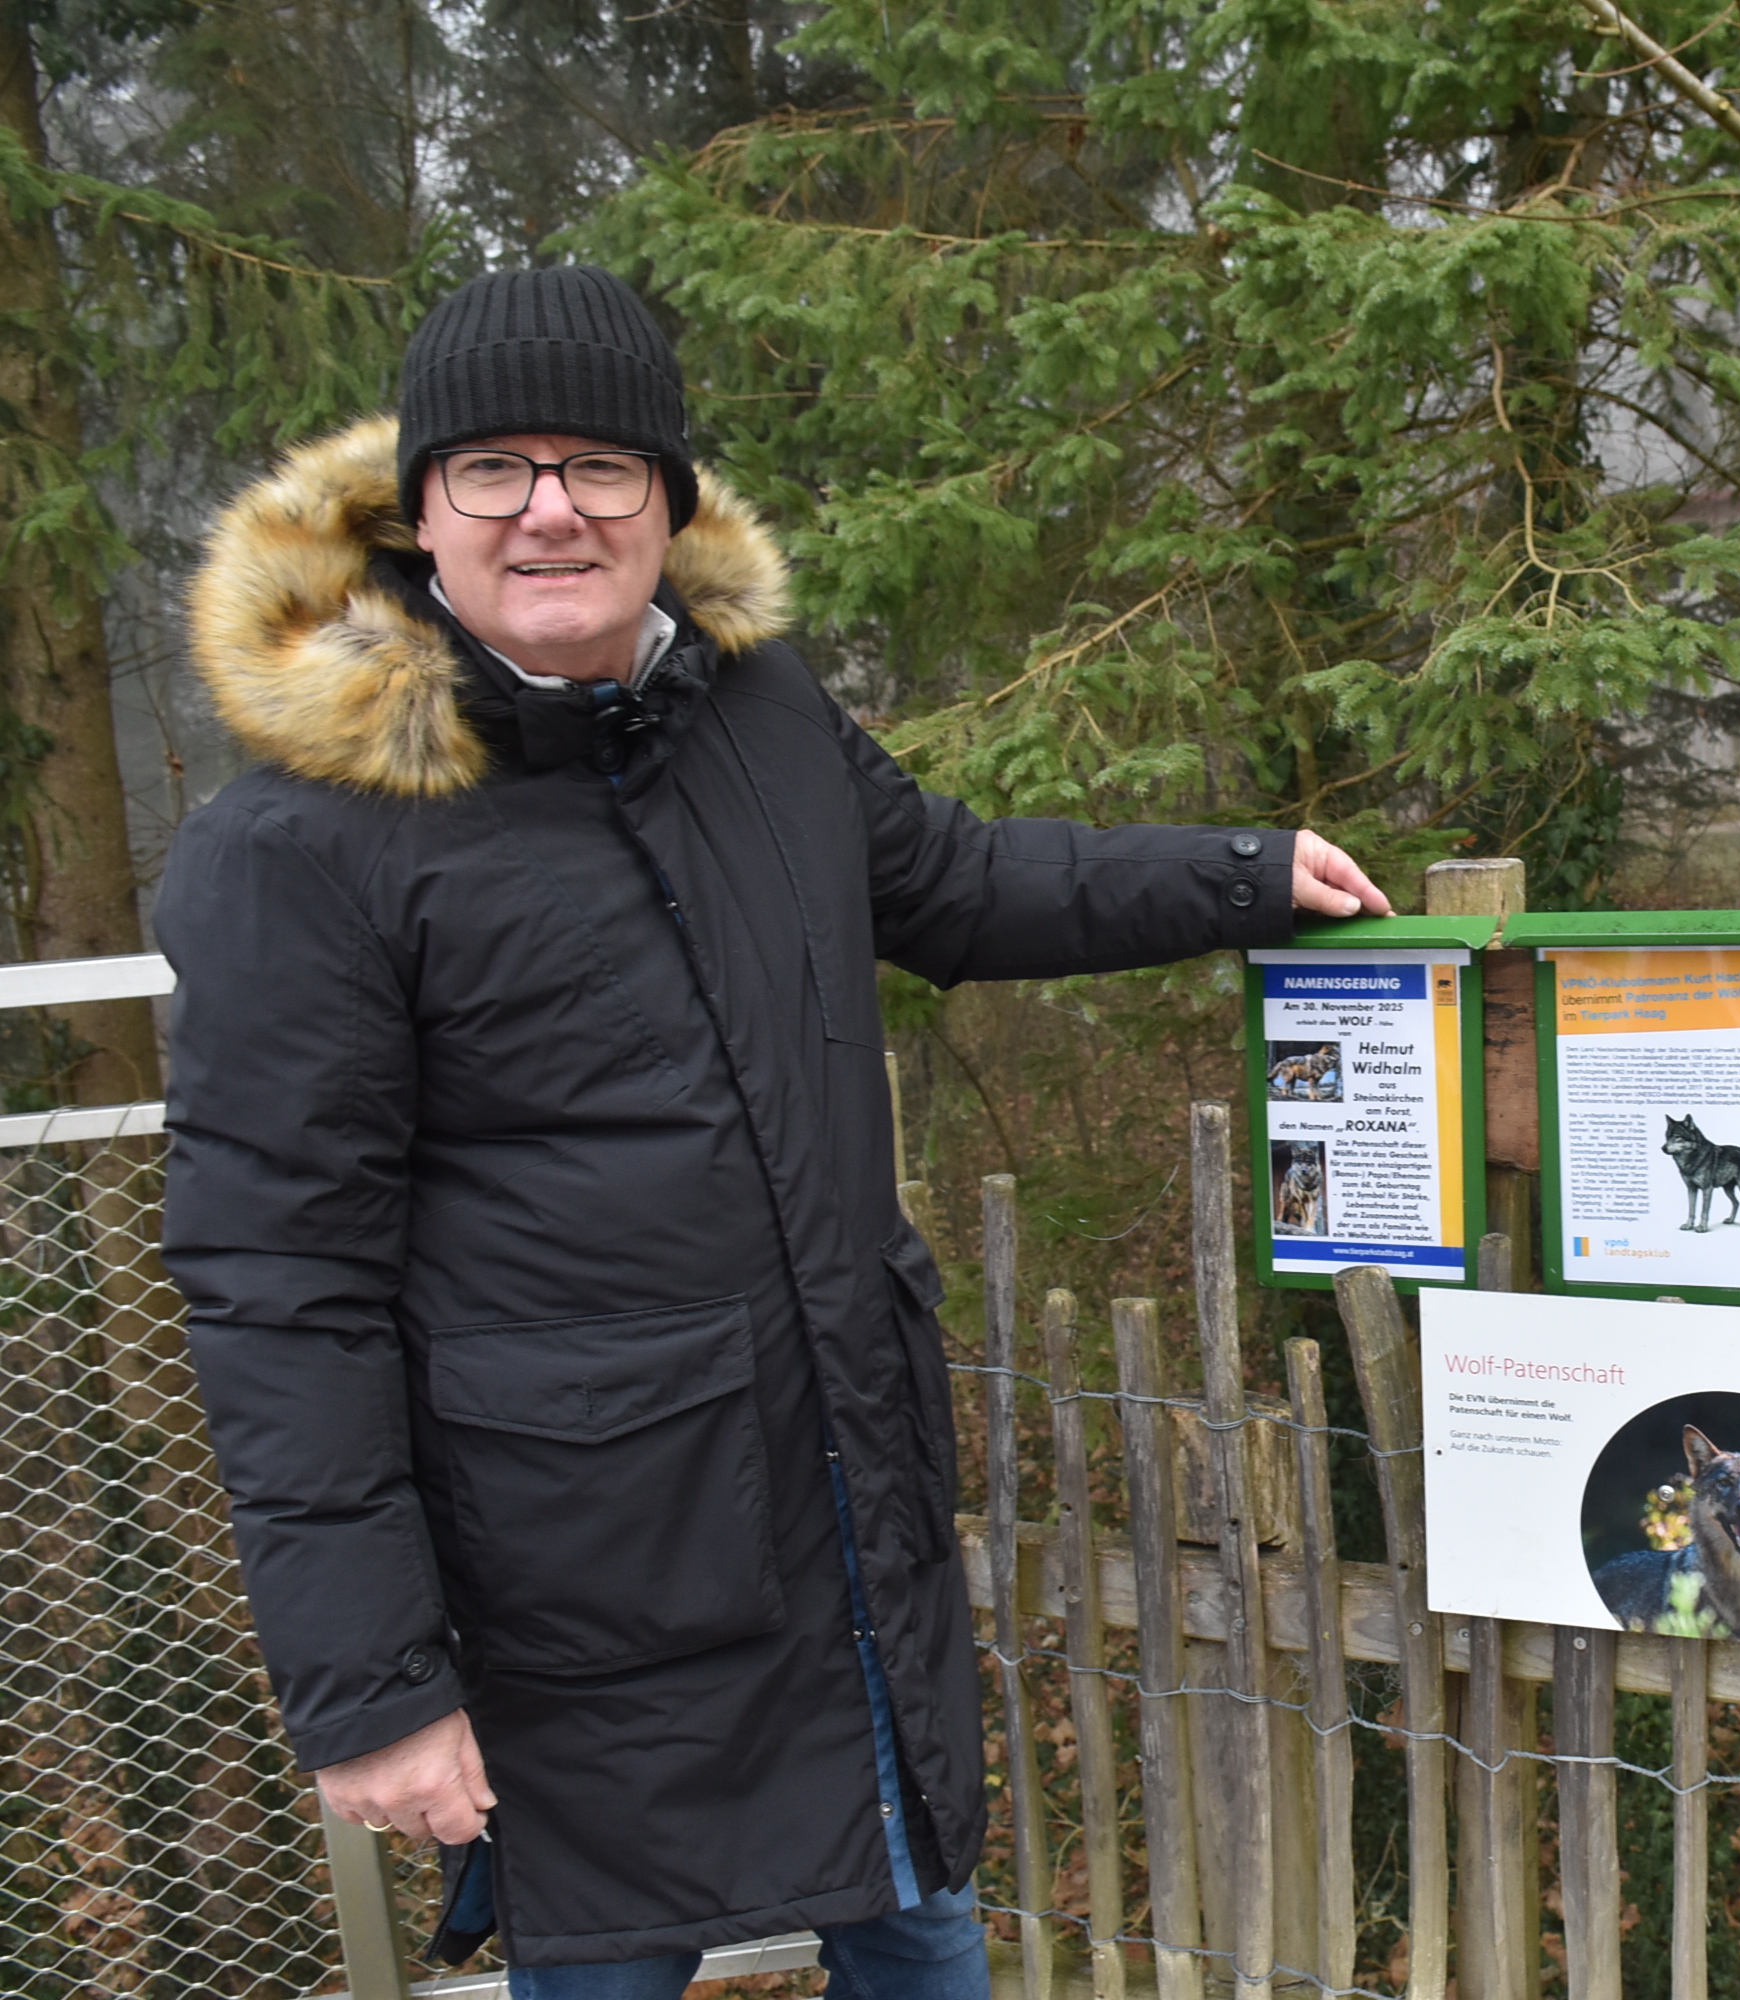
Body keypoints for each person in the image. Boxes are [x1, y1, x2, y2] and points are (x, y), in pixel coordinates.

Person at [158, 265, 1391, 1996]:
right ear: (419, 513)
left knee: (922, 1931)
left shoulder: (757, 712)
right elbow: (280, 1286)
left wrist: (1238, 875)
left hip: (838, 1530)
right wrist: (375, 1687)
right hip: (576, 1599)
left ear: (668, 502)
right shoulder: (305, 843)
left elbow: (956, 881)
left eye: (601, 466)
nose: (551, 510)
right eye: (494, 470)